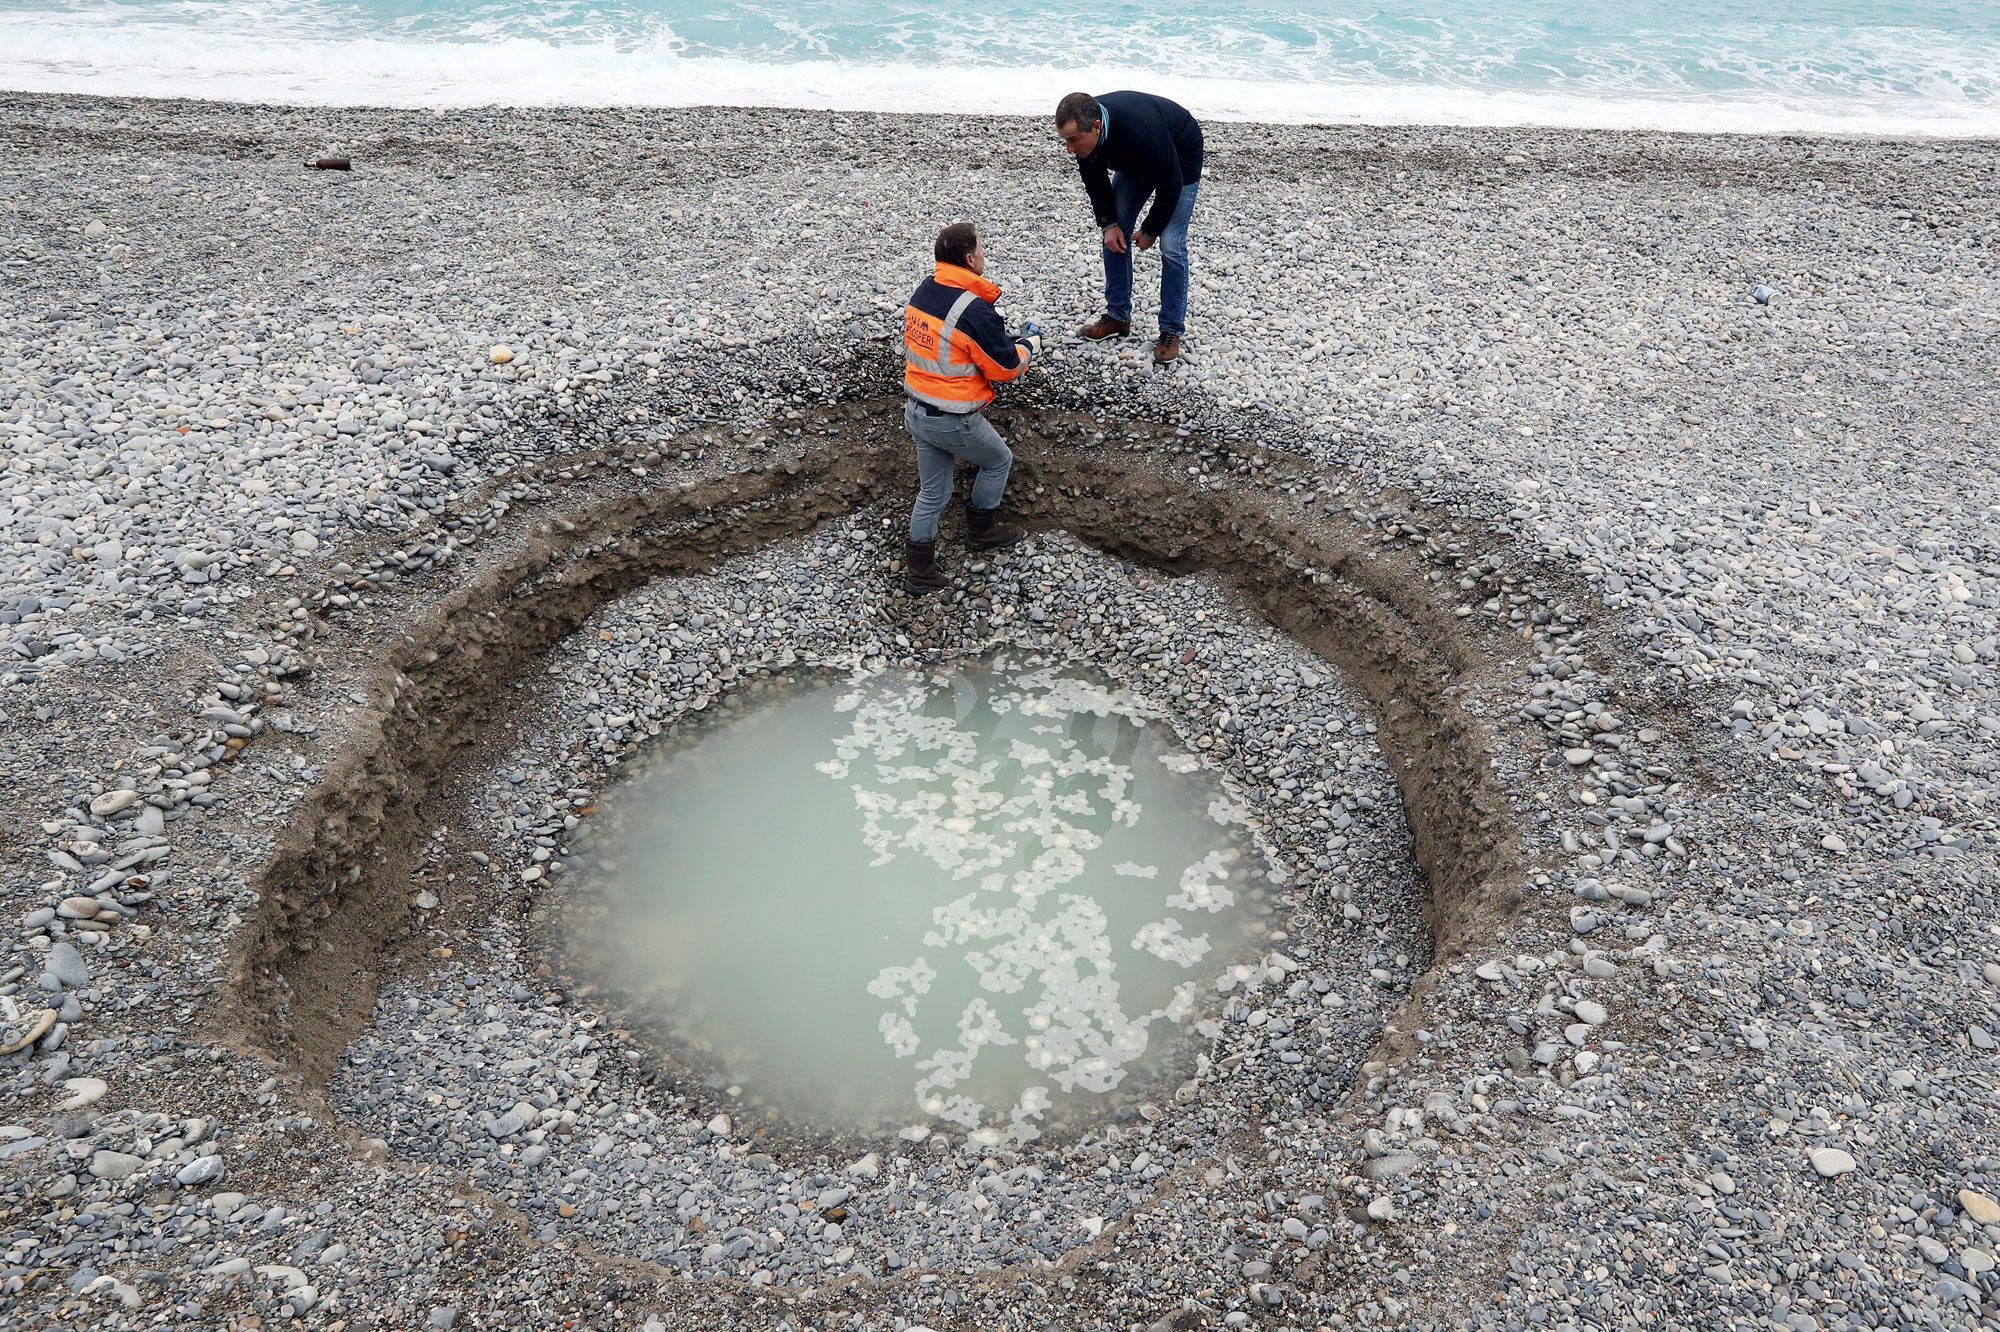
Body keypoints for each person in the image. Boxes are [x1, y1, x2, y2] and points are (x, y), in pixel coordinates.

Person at [901, 222, 1043, 595]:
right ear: (969, 259)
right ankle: (981, 531)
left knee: (932, 493)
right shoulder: (973, 311)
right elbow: (1007, 368)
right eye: (982, 249)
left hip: (916, 410)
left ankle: (920, 571)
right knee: (998, 460)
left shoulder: (925, 291)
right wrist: (1028, 345)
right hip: (952, 418)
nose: (984, 255)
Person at [1054, 90, 1204, 365]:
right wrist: (1108, 224)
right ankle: (1118, 316)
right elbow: (1095, 182)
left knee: (1171, 243)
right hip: (1137, 160)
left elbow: (1170, 183)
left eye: (1073, 140)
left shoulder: (1140, 131)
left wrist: (1150, 230)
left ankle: (1171, 330)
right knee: (1113, 235)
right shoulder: (1084, 130)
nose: (1069, 149)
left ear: (1096, 127)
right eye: (1065, 140)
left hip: (1179, 156)